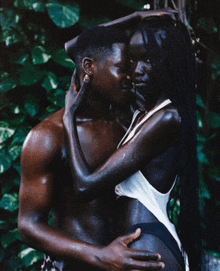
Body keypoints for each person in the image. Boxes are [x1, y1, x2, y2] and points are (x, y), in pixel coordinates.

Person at [18, 25, 165, 271]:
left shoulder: (129, 124)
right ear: (89, 67)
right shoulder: (48, 136)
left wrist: (138, 18)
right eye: (122, 68)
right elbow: (28, 226)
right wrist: (99, 256)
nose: (132, 76)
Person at [63, 14, 202, 271]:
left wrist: (69, 117)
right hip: (140, 241)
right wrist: (136, 18)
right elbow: (73, 47)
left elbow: (84, 187)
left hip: (148, 244)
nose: (136, 71)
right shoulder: (144, 108)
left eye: (148, 60)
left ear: (169, 61)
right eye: (132, 60)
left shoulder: (168, 117)